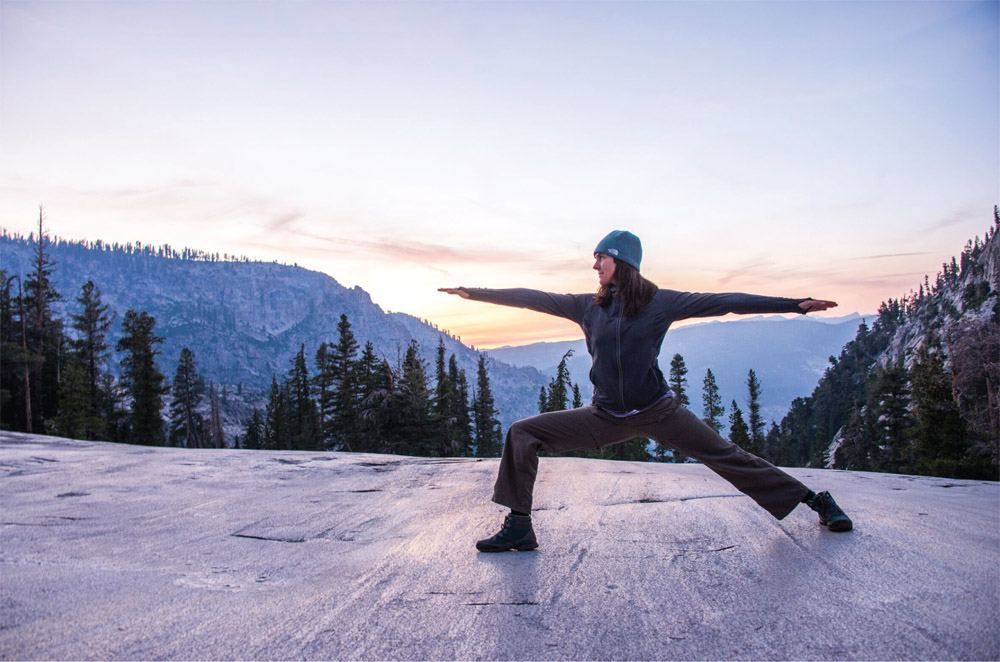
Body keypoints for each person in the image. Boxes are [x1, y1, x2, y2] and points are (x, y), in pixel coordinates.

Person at [440, 230, 853, 553]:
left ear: (620, 261)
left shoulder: (662, 303)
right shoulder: (588, 306)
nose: (595, 266)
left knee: (727, 456)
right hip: (603, 417)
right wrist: (475, 292)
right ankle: (519, 528)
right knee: (523, 433)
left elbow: (727, 301)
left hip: (659, 412)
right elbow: (532, 298)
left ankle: (815, 502)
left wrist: (794, 304)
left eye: (600, 258)